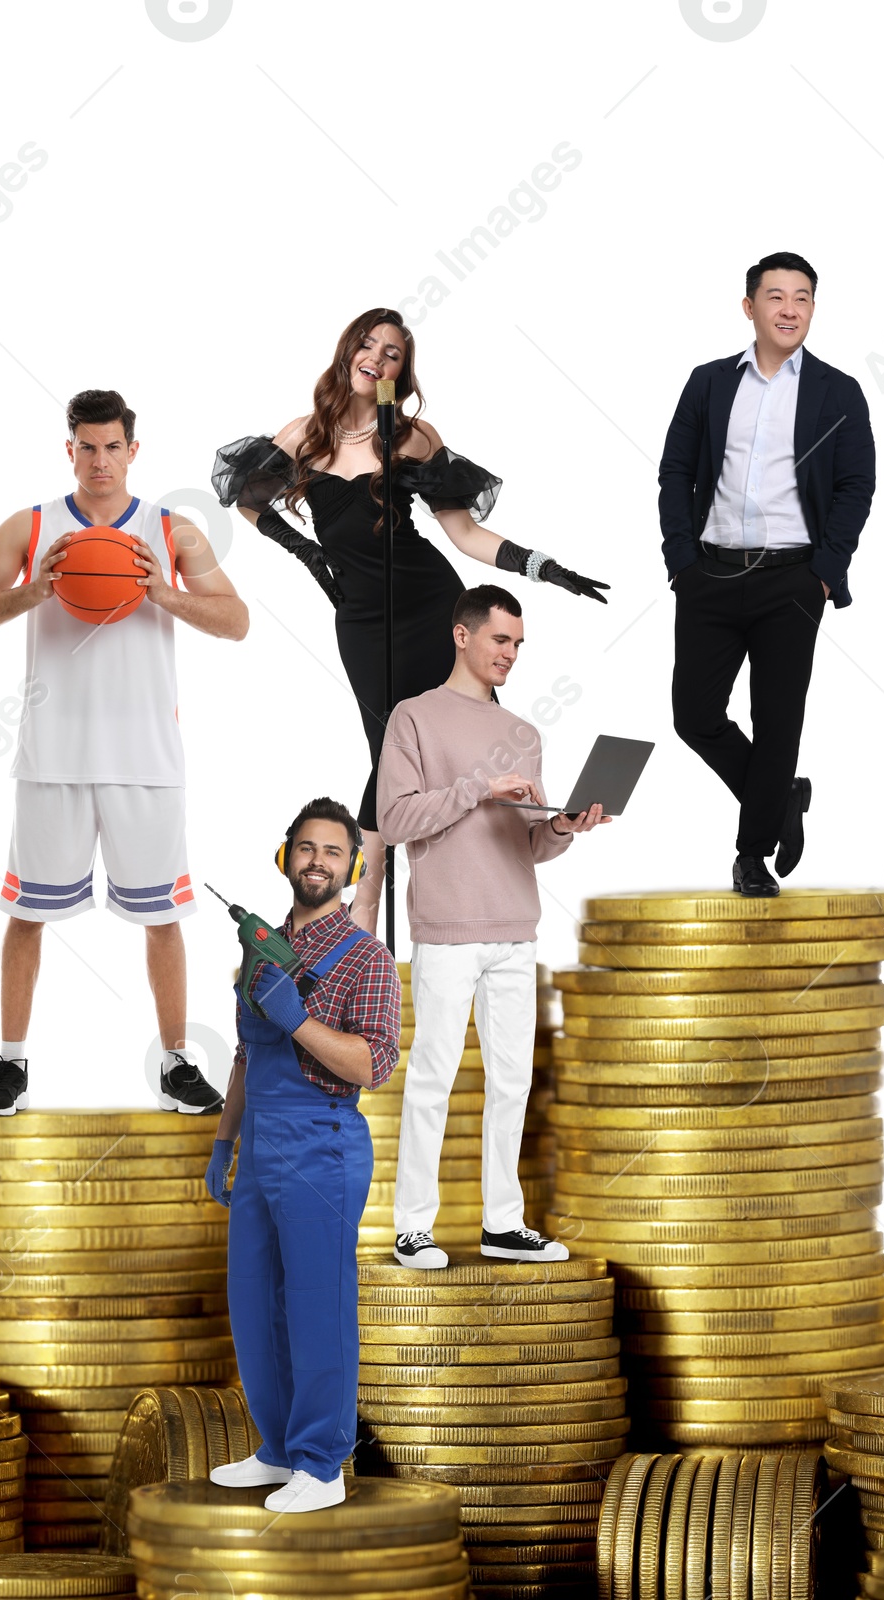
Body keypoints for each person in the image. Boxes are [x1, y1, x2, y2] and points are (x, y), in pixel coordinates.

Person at [212, 306, 608, 936]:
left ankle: (463, 897)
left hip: (432, 606)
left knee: (464, 741)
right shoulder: (303, 434)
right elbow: (245, 499)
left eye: (392, 352)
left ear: (402, 369)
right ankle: (366, 916)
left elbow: (465, 532)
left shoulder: (411, 438)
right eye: (367, 345)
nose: (377, 358)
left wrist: (543, 566)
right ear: (348, 353)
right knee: (388, 752)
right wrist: (310, 553)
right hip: (362, 621)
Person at [0, 389, 248, 1116]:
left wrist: (163, 594)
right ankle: (10, 1064)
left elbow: (236, 621)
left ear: (133, 451)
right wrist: (34, 590)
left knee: (162, 919)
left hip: (146, 759)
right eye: (87, 446)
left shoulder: (171, 532)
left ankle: (176, 1063)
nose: (100, 460)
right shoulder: (32, 527)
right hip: (52, 756)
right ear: (70, 450)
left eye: (113, 446)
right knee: (26, 914)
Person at [377, 585, 608, 1268]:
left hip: (516, 927)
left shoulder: (525, 735)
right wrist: (479, 788)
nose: (510, 654)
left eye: (518, 645)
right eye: (500, 640)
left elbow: (527, 843)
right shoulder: (413, 718)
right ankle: (412, 1225)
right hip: (447, 926)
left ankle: (502, 1224)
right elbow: (395, 821)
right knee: (432, 1078)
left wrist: (563, 828)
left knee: (514, 1082)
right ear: (462, 635)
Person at [202, 798, 400, 1512]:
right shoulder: (260, 952)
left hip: (323, 1143)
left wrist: (302, 1020)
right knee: (255, 1304)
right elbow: (245, 1058)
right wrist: (225, 1140)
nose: (319, 861)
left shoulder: (367, 959)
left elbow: (372, 1065)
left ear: (351, 869)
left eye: (334, 853)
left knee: (318, 1307)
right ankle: (280, 1446)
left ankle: (323, 1464)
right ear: (286, 856)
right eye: (307, 848)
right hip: (259, 1145)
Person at [658, 251, 876, 898]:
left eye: (802, 297)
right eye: (775, 296)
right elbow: (676, 472)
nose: (789, 309)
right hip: (710, 574)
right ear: (749, 306)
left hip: (793, 578)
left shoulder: (839, 391)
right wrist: (681, 562)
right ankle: (781, 798)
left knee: (778, 718)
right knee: (694, 715)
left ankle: (752, 854)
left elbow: (855, 485)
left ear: (812, 309)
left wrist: (825, 572)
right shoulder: (708, 382)